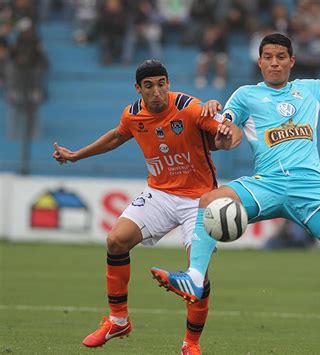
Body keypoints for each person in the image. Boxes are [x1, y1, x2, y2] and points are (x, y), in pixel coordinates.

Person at [151, 29, 320, 355]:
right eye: (268, 58)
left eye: (280, 57)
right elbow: (225, 134)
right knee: (210, 200)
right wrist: (219, 127)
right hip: (267, 184)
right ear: (259, 62)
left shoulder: (310, 90)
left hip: (310, 189)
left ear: (292, 61)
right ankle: (194, 276)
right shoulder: (245, 95)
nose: (274, 63)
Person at [52, 59, 242, 354]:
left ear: (168, 83)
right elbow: (117, 136)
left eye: (161, 84)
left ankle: (191, 343)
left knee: (198, 274)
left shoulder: (188, 107)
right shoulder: (132, 115)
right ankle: (118, 321)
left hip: (199, 199)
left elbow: (222, 136)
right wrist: (77, 155)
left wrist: (225, 132)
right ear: (138, 88)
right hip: (160, 194)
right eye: (149, 86)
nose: (157, 92)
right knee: (116, 240)